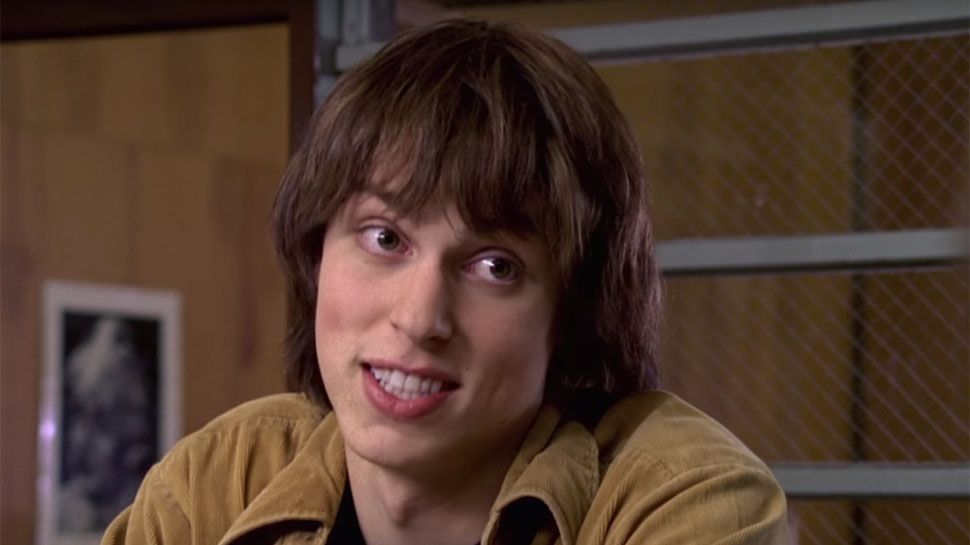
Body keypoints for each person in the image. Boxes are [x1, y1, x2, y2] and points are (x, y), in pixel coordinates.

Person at [103, 19, 788, 545]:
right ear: (317, 254)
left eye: (495, 266)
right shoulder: (219, 481)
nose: (420, 316)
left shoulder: (685, 499)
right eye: (385, 238)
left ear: (573, 312)